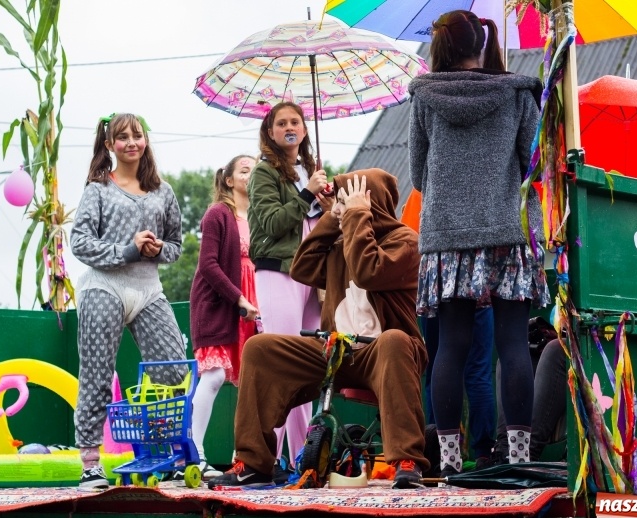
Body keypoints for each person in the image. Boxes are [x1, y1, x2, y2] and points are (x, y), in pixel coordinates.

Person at [207, 170, 430, 490]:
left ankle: (406, 461)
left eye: (350, 197)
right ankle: (253, 462)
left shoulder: (407, 242)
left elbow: (369, 271)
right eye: (341, 199)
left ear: (373, 202)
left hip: (381, 354)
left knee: (395, 339)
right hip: (336, 350)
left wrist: (356, 217)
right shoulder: (343, 242)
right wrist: (331, 219)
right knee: (259, 347)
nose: (343, 204)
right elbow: (302, 267)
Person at [408, 10, 550, 476]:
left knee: (451, 346)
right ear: (481, 42)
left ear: (441, 48)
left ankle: (450, 464)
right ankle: (519, 458)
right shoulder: (515, 93)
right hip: (508, 232)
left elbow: (416, 175)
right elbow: (536, 163)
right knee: (511, 344)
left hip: (447, 237)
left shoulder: (425, 99)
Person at [70, 113, 188, 489]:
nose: (131, 142)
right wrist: (127, 250)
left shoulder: (163, 191)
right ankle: (90, 461)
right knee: (97, 374)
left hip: (148, 289)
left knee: (172, 371)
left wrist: (155, 249)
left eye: (137, 135)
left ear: (146, 140)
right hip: (104, 286)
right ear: (110, 146)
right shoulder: (98, 189)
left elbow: (176, 247)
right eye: (122, 137)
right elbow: (80, 243)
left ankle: (165, 451)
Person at [247, 102, 333, 472]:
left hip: (310, 274)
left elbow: (319, 221)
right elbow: (270, 223)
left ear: (304, 128)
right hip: (278, 271)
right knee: (282, 363)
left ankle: (303, 457)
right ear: (270, 132)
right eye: (281, 123)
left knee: (308, 365)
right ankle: (267, 456)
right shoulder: (264, 173)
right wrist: (305, 195)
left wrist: (328, 202)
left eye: (295, 121)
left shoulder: (311, 170)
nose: (289, 127)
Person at [402, 190, 496, 467]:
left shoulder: (423, 189)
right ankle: (484, 454)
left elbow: (410, 240)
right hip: (479, 283)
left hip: (438, 283)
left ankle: (441, 452)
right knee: (478, 373)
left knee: (438, 368)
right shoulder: (487, 176)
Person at [184, 155, 260, 482]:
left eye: (256, 170)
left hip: (255, 304)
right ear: (229, 180)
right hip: (219, 303)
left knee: (253, 382)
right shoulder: (218, 214)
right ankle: (194, 454)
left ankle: (243, 456)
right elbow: (209, 266)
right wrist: (239, 299)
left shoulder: (260, 216)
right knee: (213, 376)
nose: (251, 174)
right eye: (245, 170)